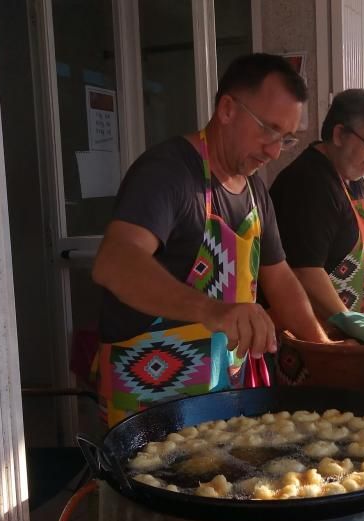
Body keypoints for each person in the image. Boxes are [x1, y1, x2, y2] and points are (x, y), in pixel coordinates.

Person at [91, 53, 329, 426]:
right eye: (267, 129)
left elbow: (279, 277)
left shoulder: (255, 192)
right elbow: (115, 261)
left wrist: (323, 352)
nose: (273, 150)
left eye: (286, 139)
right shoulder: (168, 174)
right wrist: (213, 311)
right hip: (148, 402)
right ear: (228, 109)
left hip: (221, 398)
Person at [269, 88, 364, 321]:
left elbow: (355, 229)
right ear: (340, 134)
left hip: (342, 328)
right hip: (309, 333)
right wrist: (352, 324)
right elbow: (306, 271)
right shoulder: (309, 184)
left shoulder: (350, 175)